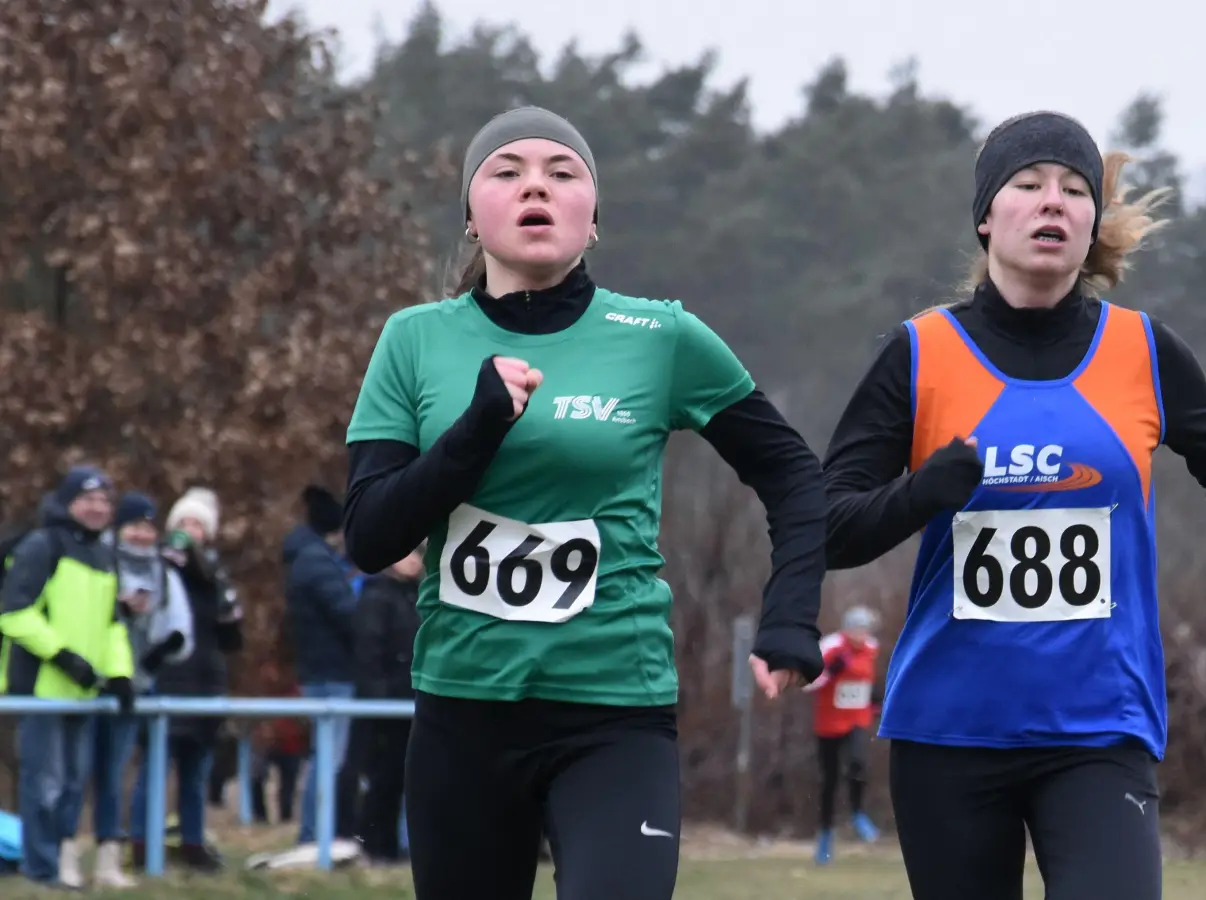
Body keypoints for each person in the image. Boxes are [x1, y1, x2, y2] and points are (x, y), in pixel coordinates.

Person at [341, 104, 828, 900]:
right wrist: (474, 432)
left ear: (593, 219)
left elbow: (794, 476)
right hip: (462, 712)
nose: (536, 185)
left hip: (613, 711)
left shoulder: (659, 336)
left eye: (562, 173)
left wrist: (790, 615)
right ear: (471, 214)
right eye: (507, 171)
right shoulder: (414, 339)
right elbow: (368, 534)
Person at [821, 111, 1206, 900]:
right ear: (984, 217)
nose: (1054, 203)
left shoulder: (1143, 351)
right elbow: (829, 526)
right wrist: (919, 494)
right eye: (1029, 184)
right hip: (950, 729)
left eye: (1075, 190)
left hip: (1100, 726)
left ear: (1092, 223)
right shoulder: (919, 353)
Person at [0, 466, 136, 889]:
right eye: (88, 499)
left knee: (74, 784)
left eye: (104, 501)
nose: (97, 508)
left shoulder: (104, 554)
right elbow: (14, 613)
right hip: (41, 689)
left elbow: (112, 624)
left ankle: (61, 862)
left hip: (83, 692)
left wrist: (119, 674)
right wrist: (60, 656)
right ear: (68, 502)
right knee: (44, 783)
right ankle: (41, 869)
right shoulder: (44, 545)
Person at [59, 491, 194, 889]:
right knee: (75, 773)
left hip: (135, 687)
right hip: (88, 682)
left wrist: (158, 654)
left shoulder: (165, 573)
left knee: (113, 775)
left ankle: (108, 860)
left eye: (148, 527)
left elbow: (181, 631)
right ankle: (65, 855)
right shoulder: (98, 561)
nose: (141, 534)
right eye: (134, 525)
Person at [128, 487, 244, 872]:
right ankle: (142, 843)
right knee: (154, 769)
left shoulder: (215, 574)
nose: (190, 531)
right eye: (184, 523)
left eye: (198, 524)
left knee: (197, 771)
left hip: (207, 680)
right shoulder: (161, 565)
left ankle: (193, 842)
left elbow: (231, 637)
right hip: (168, 677)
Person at [282, 485, 359, 847]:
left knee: (325, 756)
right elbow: (347, 615)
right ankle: (314, 836)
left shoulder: (306, 558)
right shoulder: (317, 562)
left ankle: (316, 834)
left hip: (321, 671)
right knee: (329, 758)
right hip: (331, 674)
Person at [344, 542, 424, 864]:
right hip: (385, 707)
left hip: (411, 704)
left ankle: (392, 847)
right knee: (383, 780)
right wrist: (377, 700)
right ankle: (376, 846)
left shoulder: (417, 596)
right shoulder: (376, 596)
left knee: (405, 780)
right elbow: (368, 654)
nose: (413, 560)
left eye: (417, 554)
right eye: (408, 553)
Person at [804, 604, 882, 865]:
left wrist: (875, 701)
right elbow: (808, 683)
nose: (863, 634)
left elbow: (864, 682)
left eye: (866, 629)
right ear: (848, 629)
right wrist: (832, 670)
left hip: (856, 721)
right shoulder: (831, 647)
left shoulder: (872, 648)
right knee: (830, 780)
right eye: (858, 628)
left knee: (859, 764)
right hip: (828, 724)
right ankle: (825, 838)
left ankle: (858, 813)